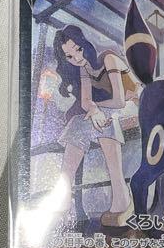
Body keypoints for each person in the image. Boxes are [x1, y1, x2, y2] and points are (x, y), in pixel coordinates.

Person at [51, 25, 135, 228]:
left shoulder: (109, 58)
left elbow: (120, 101)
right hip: (110, 111)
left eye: (78, 49)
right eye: (69, 56)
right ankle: (64, 189)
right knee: (81, 121)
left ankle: (121, 195)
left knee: (104, 118)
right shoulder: (84, 67)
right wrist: (94, 109)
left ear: (86, 43)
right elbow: (86, 101)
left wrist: (97, 109)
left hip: (135, 104)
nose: (77, 58)